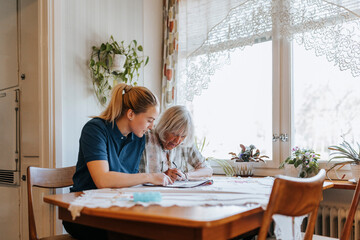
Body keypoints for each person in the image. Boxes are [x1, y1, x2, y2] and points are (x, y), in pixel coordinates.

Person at [63, 83, 172, 240]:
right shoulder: (95, 130)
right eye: (149, 120)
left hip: (115, 208)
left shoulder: (137, 138)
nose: (151, 126)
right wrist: (150, 176)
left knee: (157, 227)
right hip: (84, 214)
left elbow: (128, 179)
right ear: (130, 114)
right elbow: (102, 180)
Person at [139, 105, 213, 182]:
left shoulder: (185, 144)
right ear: (164, 127)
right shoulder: (145, 138)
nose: (178, 141)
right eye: (174, 134)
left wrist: (186, 175)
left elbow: (208, 170)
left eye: (183, 136)